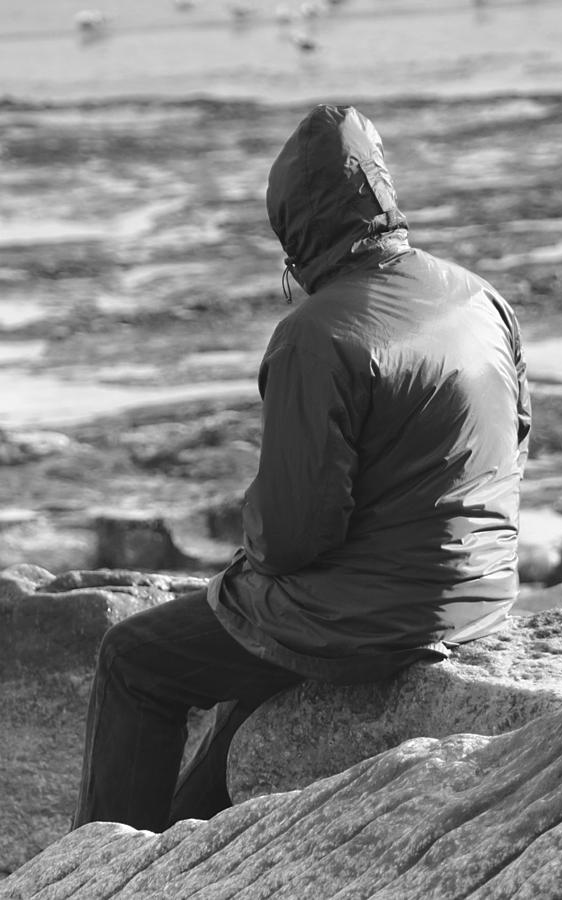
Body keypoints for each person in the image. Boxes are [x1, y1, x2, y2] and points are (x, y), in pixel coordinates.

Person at [72, 103, 531, 833]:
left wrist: (246, 557)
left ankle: (99, 870)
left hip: (374, 619)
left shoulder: (315, 336)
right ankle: (188, 844)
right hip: (483, 592)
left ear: (295, 224)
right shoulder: (480, 297)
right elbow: (519, 433)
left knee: (136, 657)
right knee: (248, 657)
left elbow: (292, 537)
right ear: (380, 194)